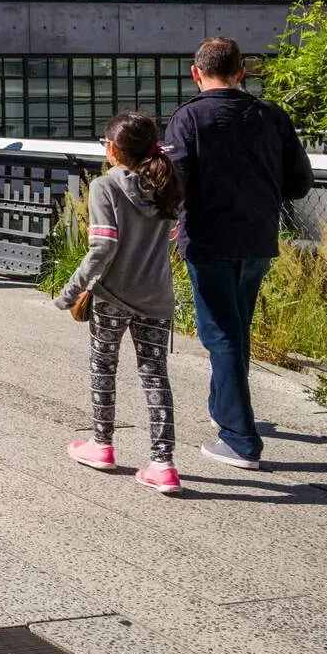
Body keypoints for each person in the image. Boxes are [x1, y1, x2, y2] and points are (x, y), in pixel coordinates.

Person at [165, 36, 313, 471]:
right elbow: (300, 181)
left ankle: (240, 439)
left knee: (220, 334)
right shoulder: (271, 116)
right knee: (236, 328)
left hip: (210, 239)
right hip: (258, 237)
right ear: (242, 71)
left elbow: (175, 180)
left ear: (196, 72)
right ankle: (225, 409)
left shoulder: (189, 118)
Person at [55, 111, 185, 495]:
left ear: (112, 149)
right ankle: (163, 464)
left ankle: (102, 444)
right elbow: (171, 236)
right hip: (156, 294)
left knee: (103, 367)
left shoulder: (105, 187)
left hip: (111, 295)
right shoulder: (165, 184)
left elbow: (103, 247)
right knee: (155, 373)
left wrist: (69, 291)